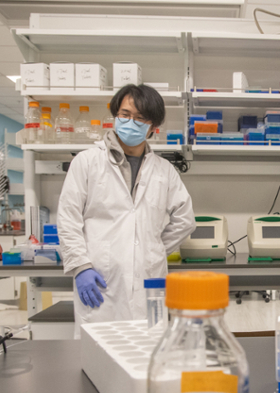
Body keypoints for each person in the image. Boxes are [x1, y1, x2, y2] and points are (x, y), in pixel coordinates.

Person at [58, 84, 195, 338]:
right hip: (100, 279)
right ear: (115, 115)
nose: (131, 122)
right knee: (99, 356)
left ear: (153, 127)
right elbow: (68, 219)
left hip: (148, 282)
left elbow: (185, 220)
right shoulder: (87, 162)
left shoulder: (164, 170)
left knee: (146, 354)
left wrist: (150, 248)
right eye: (125, 114)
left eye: (140, 118)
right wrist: (80, 266)